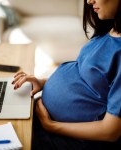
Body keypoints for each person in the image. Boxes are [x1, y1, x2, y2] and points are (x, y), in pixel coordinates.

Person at [12, 0, 121, 149]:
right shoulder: (110, 30)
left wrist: (51, 125)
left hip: (70, 139)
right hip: (48, 120)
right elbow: (85, 78)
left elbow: (111, 131)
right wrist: (43, 82)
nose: (89, 1)